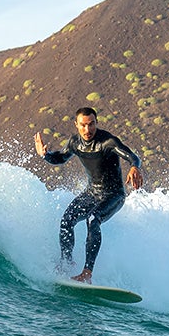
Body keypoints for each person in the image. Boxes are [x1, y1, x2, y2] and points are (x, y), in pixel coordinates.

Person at [35, 107, 143, 283]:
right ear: (76, 125)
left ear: (96, 123)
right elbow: (60, 159)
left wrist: (134, 166)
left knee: (93, 219)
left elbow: (132, 156)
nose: (88, 130)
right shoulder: (74, 143)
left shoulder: (108, 142)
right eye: (83, 125)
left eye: (91, 124)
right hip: (92, 192)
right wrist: (45, 155)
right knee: (66, 220)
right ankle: (66, 264)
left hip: (113, 195)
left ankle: (87, 273)